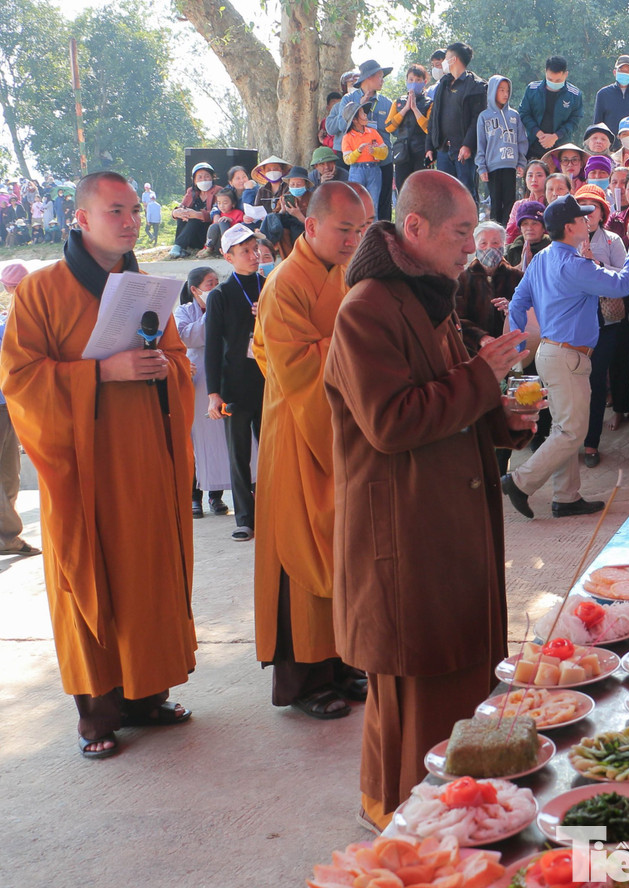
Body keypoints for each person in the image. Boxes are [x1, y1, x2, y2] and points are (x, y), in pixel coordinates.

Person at [322, 169, 536, 831]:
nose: (471, 245)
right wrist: (482, 377)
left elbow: (446, 392)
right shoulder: (368, 309)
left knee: (462, 674)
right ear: (413, 228)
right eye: (460, 231)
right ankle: (408, 822)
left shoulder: (427, 295)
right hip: (405, 531)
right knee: (418, 686)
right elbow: (391, 421)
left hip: (447, 521)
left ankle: (462, 813)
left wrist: (499, 415)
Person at [0, 171, 196, 759]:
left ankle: (148, 694)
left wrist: (164, 367)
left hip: (146, 460)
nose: (131, 221)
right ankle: (98, 715)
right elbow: (19, 380)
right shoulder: (41, 291)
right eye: (117, 210)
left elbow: (178, 358)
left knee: (148, 575)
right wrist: (100, 374)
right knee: (88, 580)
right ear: (81, 218)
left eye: (135, 209)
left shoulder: (148, 288)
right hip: (81, 469)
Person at [252, 181, 370, 722]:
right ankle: (304, 677)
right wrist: (360, 347)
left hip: (337, 425)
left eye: (360, 231)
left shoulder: (344, 274)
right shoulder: (284, 283)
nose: (352, 240)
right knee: (300, 551)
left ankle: (342, 660)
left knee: (343, 549)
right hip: (299, 430)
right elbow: (296, 364)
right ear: (313, 225)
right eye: (344, 229)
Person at [502, 195, 629, 519]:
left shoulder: (542, 258)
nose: (587, 220)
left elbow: (518, 302)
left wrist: (517, 349)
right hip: (567, 357)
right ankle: (520, 481)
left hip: (551, 353)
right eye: (581, 218)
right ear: (569, 227)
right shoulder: (574, 264)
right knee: (571, 432)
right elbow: (623, 285)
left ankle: (566, 497)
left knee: (563, 429)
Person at [203, 224, 266, 542]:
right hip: (235, 386)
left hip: (269, 383)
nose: (254, 255)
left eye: (255, 249)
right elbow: (213, 346)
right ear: (228, 257)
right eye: (245, 251)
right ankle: (245, 519)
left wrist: (268, 315)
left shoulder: (271, 286)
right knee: (239, 455)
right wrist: (213, 393)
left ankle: (275, 511)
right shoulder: (220, 296)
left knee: (273, 451)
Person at [572, 184, 629, 468]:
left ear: (602, 212)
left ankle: (591, 443)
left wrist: (594, 265)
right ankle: (569, 441)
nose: (587, 213)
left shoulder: (612, 241)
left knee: (595, 381)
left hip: (606, 321)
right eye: (581, 206)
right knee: (574, 383)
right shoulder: (567, 239)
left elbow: (625, 277)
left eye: (592, 206)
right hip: (575, 321)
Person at [174, 266, 231, 519]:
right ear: (195, 289)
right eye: (210, 284)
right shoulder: (184, 312)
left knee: (219, 439)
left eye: (218, 282)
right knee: (197, 440)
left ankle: (215, 496)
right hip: (196, 381)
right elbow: (188, 337)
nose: (215, 287)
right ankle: (194, 497)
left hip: (220, 378)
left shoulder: (226, 307)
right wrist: (211, 315)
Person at [0, 262, 39, 555]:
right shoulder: (11, 319)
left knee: (10, 473)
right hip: (6, 403)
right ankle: (9, 536)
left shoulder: (17, 315)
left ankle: (8, 537)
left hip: (9, 403)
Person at [328, 59, 396, 220]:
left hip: (381, 161)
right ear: (368, 77)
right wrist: (358, 106)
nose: (382, 80)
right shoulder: (347, 100)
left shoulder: (386, 103)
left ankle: (382, 234)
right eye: (379, 76)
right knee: (352, 203)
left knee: (382, 205)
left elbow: (393, 130)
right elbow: (340, 126)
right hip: (353, 163)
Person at [428, 42, 488, 196]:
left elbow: (477, 119)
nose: (443, 62)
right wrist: (430, 145)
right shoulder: (443, 84)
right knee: (445, 194)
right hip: (443, 149)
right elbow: (434, 116)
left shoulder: (476, 86)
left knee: (465, 193)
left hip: (463, 152)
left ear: (453, 59)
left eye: (446, 57)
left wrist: (468, 145)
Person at [476, 74, 527, 227]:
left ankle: (509, 234)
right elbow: (481, 143)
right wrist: (481, 167)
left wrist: (521, 162)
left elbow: (521, 140)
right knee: (495, 202)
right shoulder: (484, 117)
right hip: (492, 167)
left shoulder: (514, 115)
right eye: (501, 90)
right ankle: (496, 233)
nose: (505, 94)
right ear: (493, 91)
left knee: (510, 202)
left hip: (511, 166)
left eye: (507, 90)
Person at [520, 56, 584, 161]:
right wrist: (539, 134)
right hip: (533, 146)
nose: (554, 83)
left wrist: (555, 136)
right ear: (545, 72)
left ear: (566, 74)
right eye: (550, 79)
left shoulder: (575, 95)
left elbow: (575, 121)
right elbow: (524, 114)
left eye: (558, 80)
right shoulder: (532, 89)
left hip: (560, 149)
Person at [386, 64, 433, 191]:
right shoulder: (398, 102)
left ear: (424, 82)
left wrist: (415, 109)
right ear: (406, 81)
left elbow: (429, 129)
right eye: (411, 80)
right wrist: (405, 109)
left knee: (422, 189)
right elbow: (389, 127)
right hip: (402, 152)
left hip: (421, 150)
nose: (414, 83)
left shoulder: (429, 103)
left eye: (418, 80)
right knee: (403, 188)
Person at [341, 98, 390, 216]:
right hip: (356, 171)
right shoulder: (347, 137)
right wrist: (358, 151)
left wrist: (375, 151)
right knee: (357, 205)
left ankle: (372, 227)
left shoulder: (373, 132)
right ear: (354, 120)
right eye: (362, 113)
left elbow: (385, 152)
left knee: (373, 205)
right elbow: (347, 159)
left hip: (374, 170)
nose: (366, 115)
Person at [592, 54, 629, 135]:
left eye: (628, 71)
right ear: (614, 72)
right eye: (621, 70)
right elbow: (597, 126)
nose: (625, 73)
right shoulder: (603, 94)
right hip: (610, 142)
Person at [170, 162, 215, 258]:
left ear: (212, 177)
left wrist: (197, 215)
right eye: (200, 177)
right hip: (192, 235)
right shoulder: (191, 192)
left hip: (207, 235)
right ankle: (181, 247)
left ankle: (178, 246)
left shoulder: (218, 191)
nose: (203, 179)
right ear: (194, 180)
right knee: (183, 216)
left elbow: (217, 214)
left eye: (207, 176)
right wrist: (176, 212)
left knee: (195, 218)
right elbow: (182, 207)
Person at [507, 161, 549, 241]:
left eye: (539, 175)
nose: (534, 179)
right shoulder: (519, 205)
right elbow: (509, 233)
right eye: (530, 175)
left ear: (547, 178)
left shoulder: (552, 204)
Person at [506, 200, 550, 269]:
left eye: (534, 223)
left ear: (544, 227)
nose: (529, 228)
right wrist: (521, 266)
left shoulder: (552, 250)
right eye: (525, 224)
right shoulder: (510, 251)